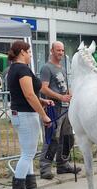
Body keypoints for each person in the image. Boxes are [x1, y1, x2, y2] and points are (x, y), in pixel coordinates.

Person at [7, 40, 54, 189]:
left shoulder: (14, 69)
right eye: (29, 52)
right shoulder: (22, 69)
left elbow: (26, 94)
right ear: (22, 52)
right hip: (26, 114)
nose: (30, 55)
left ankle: (30, 185)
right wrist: (44, 115)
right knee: (28, 153)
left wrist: (42, 101)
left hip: (20, 113)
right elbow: (29, 95)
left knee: (27, 152)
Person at [39, 41, 81, 179]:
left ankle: (63, 164)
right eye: (58, 50)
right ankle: (45, 167)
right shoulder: (46, 68)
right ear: (52, 51)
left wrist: (71, 96)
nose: (61, 53)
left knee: (67, 137)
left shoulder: (62, 68)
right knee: (52, 138)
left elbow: (66, 87)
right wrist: (60, 97)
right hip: (54, 108)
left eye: (62, 50)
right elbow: (43, 88)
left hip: (66, 108)